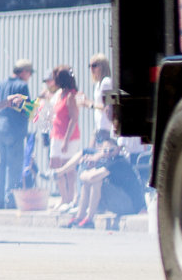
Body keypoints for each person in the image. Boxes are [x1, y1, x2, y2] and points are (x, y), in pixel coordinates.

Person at [57, 134, 147, 229]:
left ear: (118, 150)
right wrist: (87, 173)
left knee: (96, 181)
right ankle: (80, 217)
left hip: (130, 205)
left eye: (111, 150)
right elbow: (88, 177)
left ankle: (89, 219)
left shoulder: (118, 161)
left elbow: (92, 177)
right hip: (121, 202)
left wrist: (84, 173)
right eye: (105, 150)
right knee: (89, 181)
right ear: (101, 151)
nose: (108, 153)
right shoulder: (105, 160)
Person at [0, 58, 34, 209]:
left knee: (0, 164)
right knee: (14, 165)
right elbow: (26, 109)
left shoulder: (2, 84)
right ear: (24, 72)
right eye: (29, 73)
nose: (29, 76)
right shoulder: (22, 86)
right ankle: (11, 200)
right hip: (14, 129)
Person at [46, 65, 82, 206]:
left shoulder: (70, 96)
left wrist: (66, 140)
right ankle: (64, 197)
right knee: (55, 165)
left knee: (68, 169)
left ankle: (71, 197)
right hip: (56, 135)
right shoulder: (59, 94)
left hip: (69, 137)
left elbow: (74, 118)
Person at [80, 53, 114, 143]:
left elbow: (108, 107)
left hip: (106, 128)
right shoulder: (98, 84)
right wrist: (87, 101)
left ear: (102, 66)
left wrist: (89, 104)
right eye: (90, 66)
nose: (91, 69)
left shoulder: (107, 82)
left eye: (94, 66)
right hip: (99, 127)